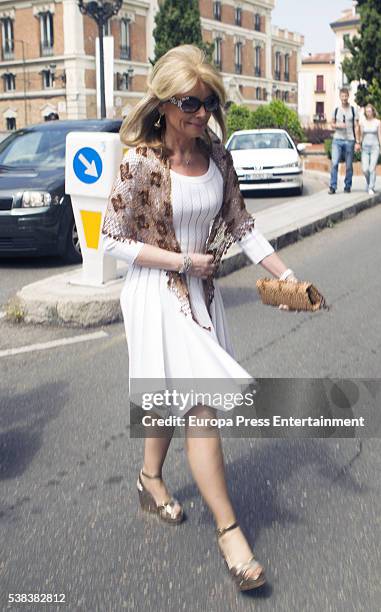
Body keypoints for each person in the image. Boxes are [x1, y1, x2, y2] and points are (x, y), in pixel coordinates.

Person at [101, 45, 303, 592]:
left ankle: (149, 480)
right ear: (165, 104)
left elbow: (242, 225)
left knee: (168, 395)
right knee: (200, 404)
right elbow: (111, 241)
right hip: (156, 288)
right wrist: (183, 261)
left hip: (200, 293)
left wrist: (285, 275)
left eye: (208, 101)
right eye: (190, 102)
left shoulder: (215, 155)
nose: (201, 112)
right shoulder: (140, 164)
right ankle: (230, 531)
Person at [329, 87, 361, 194]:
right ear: (339, 97)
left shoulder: (353, 110)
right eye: (342, 96)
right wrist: (338, 125)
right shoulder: (336, 110)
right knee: (334, 163)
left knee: (348, 165)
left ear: (348, 96)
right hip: (337, 140)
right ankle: (333, 186)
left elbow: (356, 126)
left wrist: (357, 142)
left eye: (346, 96)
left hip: (350, 140)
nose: (344, 98)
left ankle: (348, 186)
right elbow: (331, 124)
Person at [359, 103, 381, 195]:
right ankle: (369, 183)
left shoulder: (378, 122)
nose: (368, 113)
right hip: (365, 147)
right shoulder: (363, 122)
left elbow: (380, 135)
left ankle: (371, 187)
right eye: (366, 111)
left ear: (373, 111)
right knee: (365, 169)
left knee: (372, 168)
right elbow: (361, 135)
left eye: (369, 111)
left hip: (375, 147)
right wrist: (358, 144)